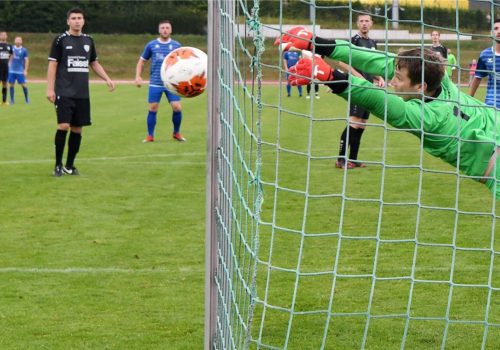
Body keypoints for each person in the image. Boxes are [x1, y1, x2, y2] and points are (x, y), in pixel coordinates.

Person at [276, 26, 500, 198]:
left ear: (420, 87)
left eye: (399, 79)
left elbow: (380, 101)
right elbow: (373, 59)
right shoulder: (440, 79)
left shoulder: (428, 118)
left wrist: (330, 76)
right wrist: (317, 43)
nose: (392, 81)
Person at [46, 7, 115, 177]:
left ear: (83, 21)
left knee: (77, 129)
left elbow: (94, 63)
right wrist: (49, 88)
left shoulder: (89, 40)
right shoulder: (60, 40)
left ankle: (69, 165)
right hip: (64, 91)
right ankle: (57, 165)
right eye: (74, 18)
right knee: (63, 125)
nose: (77, 21)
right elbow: (53, 64)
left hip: (82, 93)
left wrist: (107, 78)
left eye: (80, 18)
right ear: (68, 21)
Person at [336, 14, 385, 169]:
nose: (364, 24)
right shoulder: (353, 41)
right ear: (357, 24)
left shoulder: (372, 43)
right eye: (361, 21)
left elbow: (372, 65)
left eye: (367, 21)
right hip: (357, 87)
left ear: (371, 24)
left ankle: (353, 159)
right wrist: (358, 77)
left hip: (369, 88)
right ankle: (340, 159)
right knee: (353, 122)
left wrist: (380, 77)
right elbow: (342, 63)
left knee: (362, 124)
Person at [135, 20, 184, 143]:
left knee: (177, 107)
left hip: (172, 83)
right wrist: (138, 76)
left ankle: (176, 133)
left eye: (167, 28)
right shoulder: (151, 45)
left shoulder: (177, 45)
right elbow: (142, 61)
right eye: (162, 28)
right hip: (156, 82)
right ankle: (150, 136)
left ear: (171, 30)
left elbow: (184, 63)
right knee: (153, 107)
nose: (165, 30)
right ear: (159, 30)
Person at [469, 19, 500, 109]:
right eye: (496, 28)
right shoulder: (485, 55)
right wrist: (469, 99)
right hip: (491, 104)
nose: (499, 31)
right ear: (491, 33)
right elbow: (477, 78)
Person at [8, 36, 29, 104]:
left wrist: (25, 70)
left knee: (24, 85)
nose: (18, 41)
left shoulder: (24, 50)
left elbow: (26, 61)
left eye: (19, 40)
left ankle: (26, 99)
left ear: (21, 41)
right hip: (11, 71)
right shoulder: (11, 49)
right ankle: (12, 100)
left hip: (20, 71)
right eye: (16, 40)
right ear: (14, 41)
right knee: (11, 85)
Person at [0, 31, 12, 105]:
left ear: (7, 36)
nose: (3, 36)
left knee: (5, 83)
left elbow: (11, 54)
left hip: (5, 67)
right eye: (2, 35)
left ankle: (4, 101)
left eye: (5, 35)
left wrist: (9, 62)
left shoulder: (9, 46)